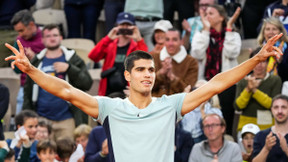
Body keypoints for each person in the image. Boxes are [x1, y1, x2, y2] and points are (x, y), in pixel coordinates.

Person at [4, 31, 283, 162]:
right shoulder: (109, 107)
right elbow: (66, 90)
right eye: (140, 70)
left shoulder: (170, 105)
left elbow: (215, 85)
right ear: (128, 76)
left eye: (151, 69)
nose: (148, 74)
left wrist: (256, 58)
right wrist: (31, 69)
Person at [22, 24, 93, 141]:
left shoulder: (72, 58)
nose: (52, 38)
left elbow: (87, 83)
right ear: (43, 40)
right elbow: (27, 92)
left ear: (61, 38)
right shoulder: (37, 61)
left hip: (67, 119)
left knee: (69, 155)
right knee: (42, 156)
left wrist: (69, 69)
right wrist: (28, 118)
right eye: (48, 36)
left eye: (55, 35)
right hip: (41, 120)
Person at [191, 4, 242, 135]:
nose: (207, 16)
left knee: (226, 117)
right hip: (206, 83)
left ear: (221, 17)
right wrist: (206, 30)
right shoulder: (201, 34)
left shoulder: (233, 35)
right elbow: (196, 52)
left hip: (227, 83)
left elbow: (232, 53)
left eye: (211, 13)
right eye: (206, 14)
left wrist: (229, 29)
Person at [88, 12, 148, 96]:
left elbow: (145, 62)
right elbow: (93, 56)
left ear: (133, 27)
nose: (125, 28)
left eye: (128, 25)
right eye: (122, 25)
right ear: (117, 26)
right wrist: (108, 38)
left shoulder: (135, 47)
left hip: (127, 92)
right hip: (107, 91)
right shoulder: (109, 45)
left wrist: (139, 39)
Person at [234, 47, 282, 132]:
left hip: (267, 127)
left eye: (263, 61)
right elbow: (238, 106)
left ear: (267, 63)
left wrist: (255, 91)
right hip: (245, 128)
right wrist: (248, 89)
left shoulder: (275, 80)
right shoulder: (243, 81)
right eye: (256, 62)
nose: (259, 65)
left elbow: (273, 104)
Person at [10, 9, 45, 114]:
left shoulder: (48, 36)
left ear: (31, 24)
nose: (20, 34)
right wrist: (21, 61)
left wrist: (35, 58)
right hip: (26, 85)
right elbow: (16, 70)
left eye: (22, 30)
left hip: (46, 82)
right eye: (18, 31)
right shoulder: (19, 41)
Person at [151, 28, 198, 97]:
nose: (170, 44)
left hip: (180, 105)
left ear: (181, 42)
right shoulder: (153, 58)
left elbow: (189, 91)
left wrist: (172, 78)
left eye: (174, 40)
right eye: (167, 40)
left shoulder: (191, 62)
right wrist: (160, 74)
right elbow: (145, 86)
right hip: (154, 103)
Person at [251, 94, 288, 162]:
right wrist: (266, 148)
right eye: (276, 107)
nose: (280, 111)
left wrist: (286, 149)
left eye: (284, 107)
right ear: (271, 110)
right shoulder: (260, 136)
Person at [257, 17, 288, 82]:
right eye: (267, 29)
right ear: (263, 32)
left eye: (274, 29)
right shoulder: (259, 50)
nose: (271, 32)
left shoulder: (286, 49)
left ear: (281, 32)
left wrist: (280, 62)